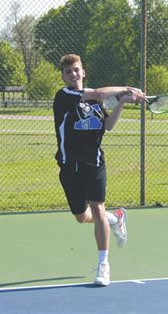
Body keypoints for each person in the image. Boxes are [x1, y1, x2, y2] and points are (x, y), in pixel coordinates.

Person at [53, 54, 145, 286]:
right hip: (69, 166)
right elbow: (98, 93)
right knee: (82, 217)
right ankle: (116, 218)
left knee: (97, 208)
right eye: (68, 72)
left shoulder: (95, 102)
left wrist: (122, 102)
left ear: (83, 72)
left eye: (76, 70)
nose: (73, 74)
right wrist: (126, 89)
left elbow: (108, 125)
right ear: (63, 76)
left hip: (94, 163)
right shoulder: (64, 96)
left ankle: (104, 265)